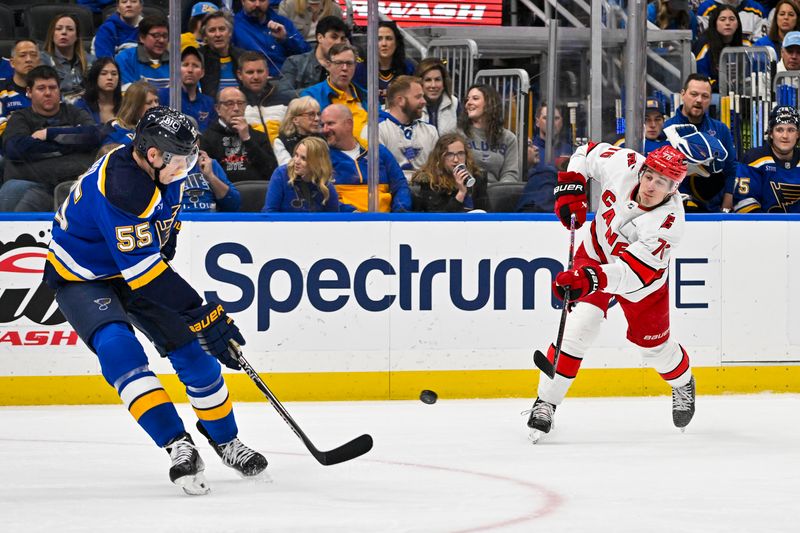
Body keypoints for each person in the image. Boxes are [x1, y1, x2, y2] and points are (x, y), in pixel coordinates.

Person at [43, 106, 268, 495]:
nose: (184, 167)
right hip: (83, 276)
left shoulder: (169, 170)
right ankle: (176, 443)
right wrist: (202, 312)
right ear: (150, 153)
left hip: (136, 267)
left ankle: (226, 441)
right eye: (178, 159)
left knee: (195, 356)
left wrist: (197, 319)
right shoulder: (122, 188)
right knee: (119, 351)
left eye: (187, 158)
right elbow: (144, 274)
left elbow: (163, 237)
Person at [525, 143, 696, 442]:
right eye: (650, 176)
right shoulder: (624, 163)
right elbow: (584, 152)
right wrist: (571, 186)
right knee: (581, 326)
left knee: (653, 349)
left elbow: (630, 276)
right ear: (642, 170)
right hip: (595, 252)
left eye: (663, 182)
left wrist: (589, 280)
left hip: (643, 283)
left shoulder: (668, 224)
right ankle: (546, 401)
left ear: (673, 189)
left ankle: (683, 382)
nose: (652, 186)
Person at [0, 66, 102, 212]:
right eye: (41, 88)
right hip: (35, 182)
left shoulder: (74, 112)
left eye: (53, 88)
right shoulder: (20, 117)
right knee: (15, 194)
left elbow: (94, 136)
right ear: (29, 92)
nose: (48, 93)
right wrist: (70, 143)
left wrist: (49, 134)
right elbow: (15, 148)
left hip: (74, 182)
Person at [664, 73, 737, 211]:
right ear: (683, 94)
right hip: (675, 208)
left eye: (705, 96)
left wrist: (727, 201)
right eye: (694, 94)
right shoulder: (667, 129)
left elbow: (731, 168)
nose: (699, 100)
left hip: (713, 208)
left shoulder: (721, 130)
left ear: (710, 100)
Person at [321, 104, 411, 212]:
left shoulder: (377, 151)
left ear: (348, 124)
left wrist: (400, 213)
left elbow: (400, 185)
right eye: (323, 125)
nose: (325, 130)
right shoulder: (321, 157)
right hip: (344, 223)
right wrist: (350, 213)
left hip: (384, 221)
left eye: (330, 123)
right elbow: (321, 195)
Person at [200, 86, 277, 183]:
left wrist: (247, 139)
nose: (236, 108)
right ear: (218, 109)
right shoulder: (207, 138)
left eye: (240, 103)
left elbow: (272, 171)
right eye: (229, 104)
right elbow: (204, 174)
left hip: (257, 193)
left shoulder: (259, 136)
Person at [733, 106, 800, 212]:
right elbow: (744, 205)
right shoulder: (753, 159)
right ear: (771, 133)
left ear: (798, 134)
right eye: (779, 130)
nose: (785, 136)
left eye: (791, 130)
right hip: (761, 227)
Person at [410, 132, 488, 212]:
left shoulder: (477, 177)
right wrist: (461, 193)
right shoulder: (430, 181)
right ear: (440, 157)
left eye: (460, 154)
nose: (456, 160)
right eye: (449, 155)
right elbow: (441, 220)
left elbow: (487, 213)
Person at [377, 75, 439, 177]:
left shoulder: (430, 131)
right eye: (418, 97)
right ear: (400, 100)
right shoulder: (377, 130)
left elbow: (437, 171)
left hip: (426, 190)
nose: (424, 101)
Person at [301, 43, 368, 137]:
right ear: (328, 65)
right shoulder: (311, 96)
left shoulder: (366, 96)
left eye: (349, 63)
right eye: (339, 63)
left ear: (355, 66)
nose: (344, 68)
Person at [232, 0, 310, 77]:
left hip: (287, 78)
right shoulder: (234, 26)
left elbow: (306, 54)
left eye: (262, 0)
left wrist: (285, 39)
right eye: (252, 0)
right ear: (242, 1)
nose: (257, 4)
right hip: (254, 79)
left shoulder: (283, 22)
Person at [460, 84, 519, 183]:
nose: (468, 103)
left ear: (489, 103)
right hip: (468, 190)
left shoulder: (509, 138)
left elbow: (510, 173)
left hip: (497, 193)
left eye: (475, 98)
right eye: (467, 100)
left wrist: (499, 192)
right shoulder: (458, 134)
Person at [263, 136, 339, 212]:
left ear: (317, 163)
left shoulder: (325, 184)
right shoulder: (281, 174)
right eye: (296, 155)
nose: (296, 161)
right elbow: (270, 212)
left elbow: (334, 218)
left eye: (303, 158)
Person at [279, 15, 349, 92]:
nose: (339, 42)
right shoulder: (294, 63)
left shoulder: (347, 65)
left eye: (342, 39)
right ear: (320, 38)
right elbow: (283, 94)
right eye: (334, 37)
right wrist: (318, 92)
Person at [354, 21, 415, 106]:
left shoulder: (408, 68)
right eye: (379, 39)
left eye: (389, 38)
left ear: (397, 42)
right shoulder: (359, 70)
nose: (384, 44)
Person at [157, 46, 217, 132]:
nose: (190, 70)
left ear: (202, 72)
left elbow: (211, 136)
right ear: (177, 69)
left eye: (195, 66)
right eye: (185, 65)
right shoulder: (163, 96)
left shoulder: (209, 103)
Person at [236, 51, 294, 139]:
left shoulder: (285, 101)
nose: (256, 77)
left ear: (267, 72)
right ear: (240, 75)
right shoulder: (233, 104)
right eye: (250, 72)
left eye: (260, 71)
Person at [694, 6, 752, 91]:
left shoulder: (745, 43)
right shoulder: (704, 44)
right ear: (715, 23)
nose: (728, 23)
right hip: (712, 91)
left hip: (739, 90)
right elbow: (700, 77)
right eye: (722, 19)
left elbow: (751, 73)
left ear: (738, 24)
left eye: (732, 19)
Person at [40, 13, 96, 100]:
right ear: (52, 34)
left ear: (77, 36)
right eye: (58, 29)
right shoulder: (43, 60)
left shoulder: (90, 60)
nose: (64, 32)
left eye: (70, 29)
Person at [198, 10, 245, 100]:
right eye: (212, 30)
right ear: (205, 36)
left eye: (222, 29)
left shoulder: (243, 57)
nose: (218, 34)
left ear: (230, 32)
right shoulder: (198, 58)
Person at [116, 14, 171, 90]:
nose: (161, 40)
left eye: (165, 36)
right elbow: (129, 94)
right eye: (156, 35)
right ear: (142, 37)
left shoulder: (176, 62)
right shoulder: (125, 59)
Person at [0, 40, 41, 139]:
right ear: (12, 63)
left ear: (39, 62)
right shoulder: (1, 90)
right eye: (22, 55)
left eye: (33, 55)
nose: (28, 60)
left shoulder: (49, 88)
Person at [101, 80, 159, 146]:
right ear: (135, 107)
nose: (155, 106)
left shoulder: (161, 128)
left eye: (156, 101)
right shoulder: (114, 130)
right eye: (149, 103)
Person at [415, 58, 460, 136]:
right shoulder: (412, 104)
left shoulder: (455, 104)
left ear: (444, 82)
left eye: (437, 80)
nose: (433, 85)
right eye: (428, 80)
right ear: (420, 82)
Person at [273, 96, 322, 165]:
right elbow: (288, 169)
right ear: (295, 120)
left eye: (318, 114)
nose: (317, 119)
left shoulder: (323, 137)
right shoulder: (281, 142)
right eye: (311, 114)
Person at [73, 58, 123, 125]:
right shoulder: (81, 105)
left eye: (114, 74)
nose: (110, 77)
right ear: (95, 77)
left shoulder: (126, 105)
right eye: (104, 73)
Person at [515, 140, 558, 213]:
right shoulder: (546, 174)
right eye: (529, 145)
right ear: (516, 151)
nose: (536, 148)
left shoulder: (542, 174)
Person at [697, 0, 767, 41]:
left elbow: (760, 46)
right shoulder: (706, 9)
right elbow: (705, 42)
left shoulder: (757, 10)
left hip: (749, 61)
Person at [278, 0, 344, 43]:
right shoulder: (287, 5)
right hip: (296, 52)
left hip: (328, 52)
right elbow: (282, 39)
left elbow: (341, 38)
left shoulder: (335, 9)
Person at [531, 103, 573, 168]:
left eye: (556, 118)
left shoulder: (568, 149)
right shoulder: (530, 150)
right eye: (546, 118)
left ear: (561, 122)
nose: (551, 122)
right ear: (537, 122)